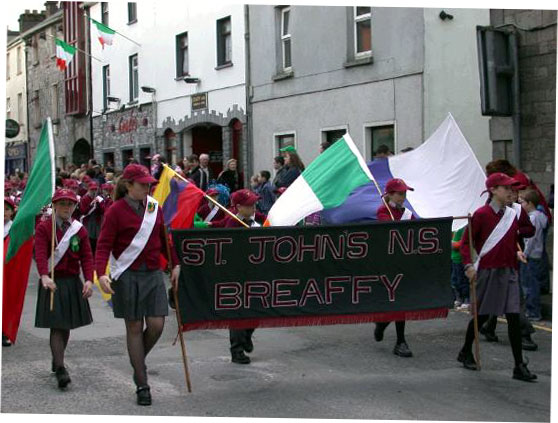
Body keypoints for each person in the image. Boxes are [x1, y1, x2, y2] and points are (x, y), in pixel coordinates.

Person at [95, 164, 180, 406]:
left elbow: (164, 239)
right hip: (128, 275)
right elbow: (103, 245)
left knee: (156, 324)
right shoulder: (115, 211)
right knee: (134, 326)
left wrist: (176, 263)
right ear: (128, 185)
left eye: (149, 184)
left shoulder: (154, 208)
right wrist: (101, 274)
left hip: (152, 274)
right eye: (143, 184)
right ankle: (142, 384)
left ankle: (137, 362)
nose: (148, 187)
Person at [458, 173, 536, 382]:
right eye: (505, 188)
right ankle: (466, 350)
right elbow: (466, 243)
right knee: (482, 315)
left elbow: (518, 237)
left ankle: (519, 365)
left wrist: (516, 251)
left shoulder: (512, 214)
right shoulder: (481, 214)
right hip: (488, 270)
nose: (510, 191)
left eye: (511, 188)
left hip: (509, 270)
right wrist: (467, 266)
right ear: (493, 190)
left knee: (513, 316)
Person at [34, 189, 94, 389]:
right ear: (54, 205)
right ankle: (60, 368)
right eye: (62, 203)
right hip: (53, 281)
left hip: (72, 281)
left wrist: (88, 280)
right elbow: (40, 253)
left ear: (75, 206)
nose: (66, 207)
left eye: (70, 204)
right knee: (57, 325)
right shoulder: (45, 228)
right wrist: (43, 274)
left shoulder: (79, 230)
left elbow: (86, 256)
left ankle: (57, 358)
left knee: (66, 325)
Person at [222, 189, 266, 364]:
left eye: (254, 204)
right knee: (239, 312)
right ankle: (237, 349)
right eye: (249, 205)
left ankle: (247, 334)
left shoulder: (259, 219)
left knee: (258, 307)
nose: (253, 207)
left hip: (256, 271)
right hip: (237, 274)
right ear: (239, 207)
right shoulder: (232, 224)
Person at [373, 178, 416, 357]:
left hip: (404, 262)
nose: (403, 197)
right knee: (393, 300)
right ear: (390, 194)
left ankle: (400, 340)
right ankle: (383, 324)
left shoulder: (407, 213)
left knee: (402, 301)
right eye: (399, 193)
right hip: (388, 263)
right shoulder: (383, 211)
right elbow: (388, 230)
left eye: (405, 193)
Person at [519, 189, 549, 321]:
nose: (521, 205)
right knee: (533, 283)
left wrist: (524, 254)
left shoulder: (533, 218)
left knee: (530, 285)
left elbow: (530, 238)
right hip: (537, 254)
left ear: (530, 203)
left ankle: (533, 312)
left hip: (530, 255)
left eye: (522, 202)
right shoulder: (541, 216)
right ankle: (533, 310)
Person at [3, 198, 17, 347]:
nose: (3, 213)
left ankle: (4, 332)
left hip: (8, 269)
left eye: (7, 209)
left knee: (7, 299)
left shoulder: (14, 229)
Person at [79, 181, 104, 254]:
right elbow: (83, 211)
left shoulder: (99, 199)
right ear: (88, 190)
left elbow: (103, 211)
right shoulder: (84, 199)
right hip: (88, 223)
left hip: (97, 223)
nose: (94, 192)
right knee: (89, 241)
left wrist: (99, 204)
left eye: (95, 190)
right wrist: (91, 205)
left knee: (96, 241)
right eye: (92, 190)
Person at [451, 227, 469, 310]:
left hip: (461, 259)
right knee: (454, 280)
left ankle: (466, 300)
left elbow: (464, 242)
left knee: (462, 280)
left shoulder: (463, 228)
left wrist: (453, 244)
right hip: (454, 258)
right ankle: (459, 299)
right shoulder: (455, 228)